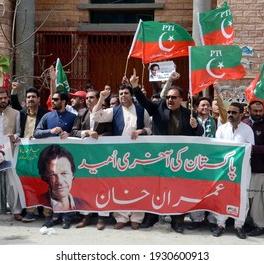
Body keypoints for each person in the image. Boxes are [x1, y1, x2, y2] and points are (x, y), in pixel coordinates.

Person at [130, 70, 204, 234]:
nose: (170, 100)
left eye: (174, 97)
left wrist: (195, 126)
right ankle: (151, 217)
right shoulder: (158, 108)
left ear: (180, 99)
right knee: (155, 188)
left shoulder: (188, 114)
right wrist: (135, 87)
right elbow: (144, 102)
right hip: (159, 158)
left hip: (179, 160)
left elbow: (199, 134)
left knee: (178, 190)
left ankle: (177, 220)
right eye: (168, 97)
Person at [93, 84, 152, 230]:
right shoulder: (115, 110)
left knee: (138, 185)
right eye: (120, 94)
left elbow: (149, 129)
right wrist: (101, 98)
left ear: (131, 95)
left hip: (138, 153)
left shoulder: (141, 110)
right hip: (119, 155)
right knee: (120, 185)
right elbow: (96, 116)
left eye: (126, 93)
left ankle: (137, 219)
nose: (123, 96)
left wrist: (141, 131)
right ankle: (122, 217)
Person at [34, 90, 77, 229]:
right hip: (51, 160)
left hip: (67, 160)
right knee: (53, 188)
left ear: (64, 102)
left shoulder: (73, 116)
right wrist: (50, 131)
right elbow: (37, 132)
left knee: (66, 189)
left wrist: (69, 134)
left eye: (56, 99)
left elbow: (78, 131)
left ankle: (67, 217)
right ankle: (54, 215)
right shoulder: (47, 116)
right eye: (52, 99)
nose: (53, 102)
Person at [70, 90, 112, 230]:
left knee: (102, 185)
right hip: (85, 156)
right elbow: (74, 131)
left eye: (92, 98)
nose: (88, 100)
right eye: (87, 98)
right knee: (86, 185)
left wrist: (98, 137)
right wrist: (87, 133)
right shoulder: (81, 114)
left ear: (98, 99)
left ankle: (101, 217)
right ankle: (86, 216)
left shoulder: (106, 113)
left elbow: (112, 132)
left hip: (102, 156)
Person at [212, 102, 255, 239]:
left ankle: (239, 225)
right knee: (222, 195)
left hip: (242, 170)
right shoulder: (221, 129)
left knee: (242, 196)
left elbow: (250, 149)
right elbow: (217, 150)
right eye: (229, 112)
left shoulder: (247, 130)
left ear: (241, 114)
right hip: (224, 169)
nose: (230, 115)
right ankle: (220, 224)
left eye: (234, 112)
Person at [12, 86, 50, 223]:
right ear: (26, 100)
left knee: (44, 181)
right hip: (25, 153)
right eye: (28, 97)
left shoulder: (46, 114)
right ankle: (30, 211)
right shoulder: (21, 114)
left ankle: (47, 212)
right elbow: (18, 131)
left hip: (42, 153)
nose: (31, 99)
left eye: (33, 97)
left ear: (39, 99)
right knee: (29, 181)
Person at [0, 89, 24, 221]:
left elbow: (19, 131)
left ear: (8, 99)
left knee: (12, 182)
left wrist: (14, 136)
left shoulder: (16, 113)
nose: (3, 100)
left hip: (11, 151)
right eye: (0, 98)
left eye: (5, 98)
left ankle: (16, 210)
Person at [242, 100, 264, 236]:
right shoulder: (244, 123)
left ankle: (260, 225)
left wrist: (250, 149)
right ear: (249, 110)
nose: (258, 113)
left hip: (260, 168)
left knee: (257, 199)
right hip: (245, 168)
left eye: (260, 111)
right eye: (255, 111)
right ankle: (249, 223)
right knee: (247, 198)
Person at [188, 97, 217, 231]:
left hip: (212, 160)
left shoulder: (216, 122)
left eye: (207, 105)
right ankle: (196, 219)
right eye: (202, 105)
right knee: (194, 190)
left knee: (212, 190)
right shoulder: (191, 120)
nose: (205, 107)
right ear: (196, 107)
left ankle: (212, 219)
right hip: (194, 160)